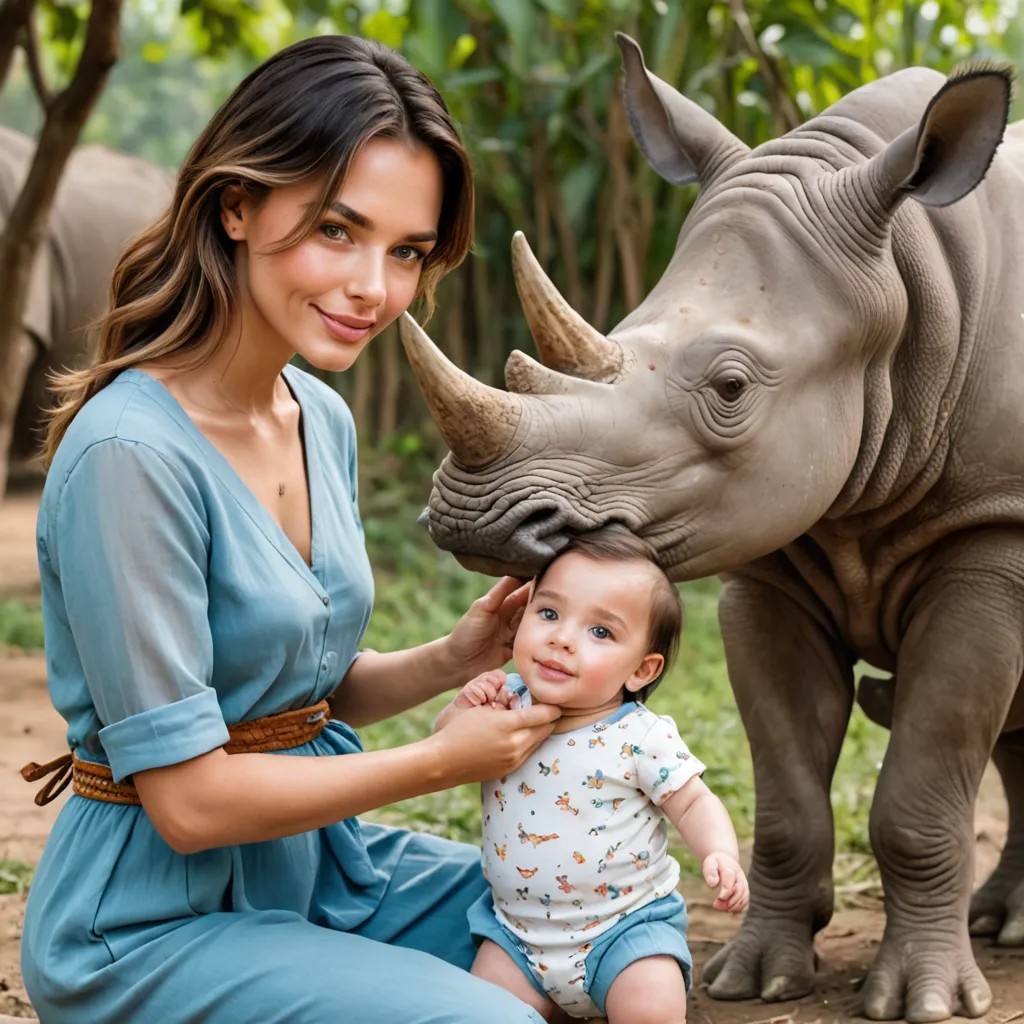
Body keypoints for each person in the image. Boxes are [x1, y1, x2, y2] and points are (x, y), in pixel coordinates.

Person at [19, 34, 561, 1024]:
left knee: (591, 919)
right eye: (337, 231)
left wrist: (452, 657)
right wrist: (445, 759)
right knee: (492, 1019)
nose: (374, 289)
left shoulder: (320, 416)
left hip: (318, 870)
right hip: (152, 921)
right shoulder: (129, 457)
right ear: (237, 204)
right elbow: (188, 803)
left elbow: (290, 690)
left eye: (406, 252)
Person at [435, 527, 749, 1023]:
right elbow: (446, 751)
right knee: (479, 1011)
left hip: (625, 930)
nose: (561, 638)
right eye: (549, 613)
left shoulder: (640, 737)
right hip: (516, 934)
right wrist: (462, 709)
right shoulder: (506, 705)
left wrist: (720, 853)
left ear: (641, 671)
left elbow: (692, 801)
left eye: (600, 632)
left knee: (650, 1005)